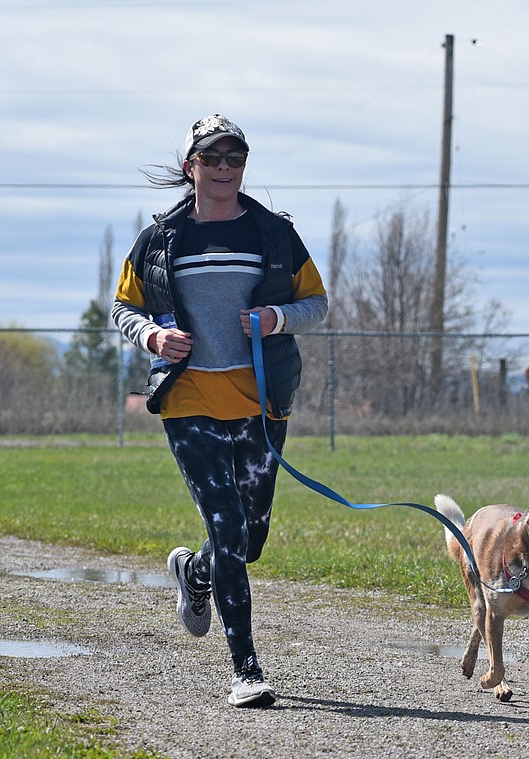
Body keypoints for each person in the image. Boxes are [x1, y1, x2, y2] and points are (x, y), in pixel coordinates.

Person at [111, 114, 328, 708]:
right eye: (214, 158)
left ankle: (197, 573)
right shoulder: (160, 239)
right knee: (228, 527)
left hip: (261, 402)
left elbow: (317, 302)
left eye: (236, 158)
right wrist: (153, 339)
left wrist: (276, 318)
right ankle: (246, 669)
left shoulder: (273, 233)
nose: (226, 168)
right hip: (189, 400)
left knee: (250, 537)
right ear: (192, 167)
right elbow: (122, 306)